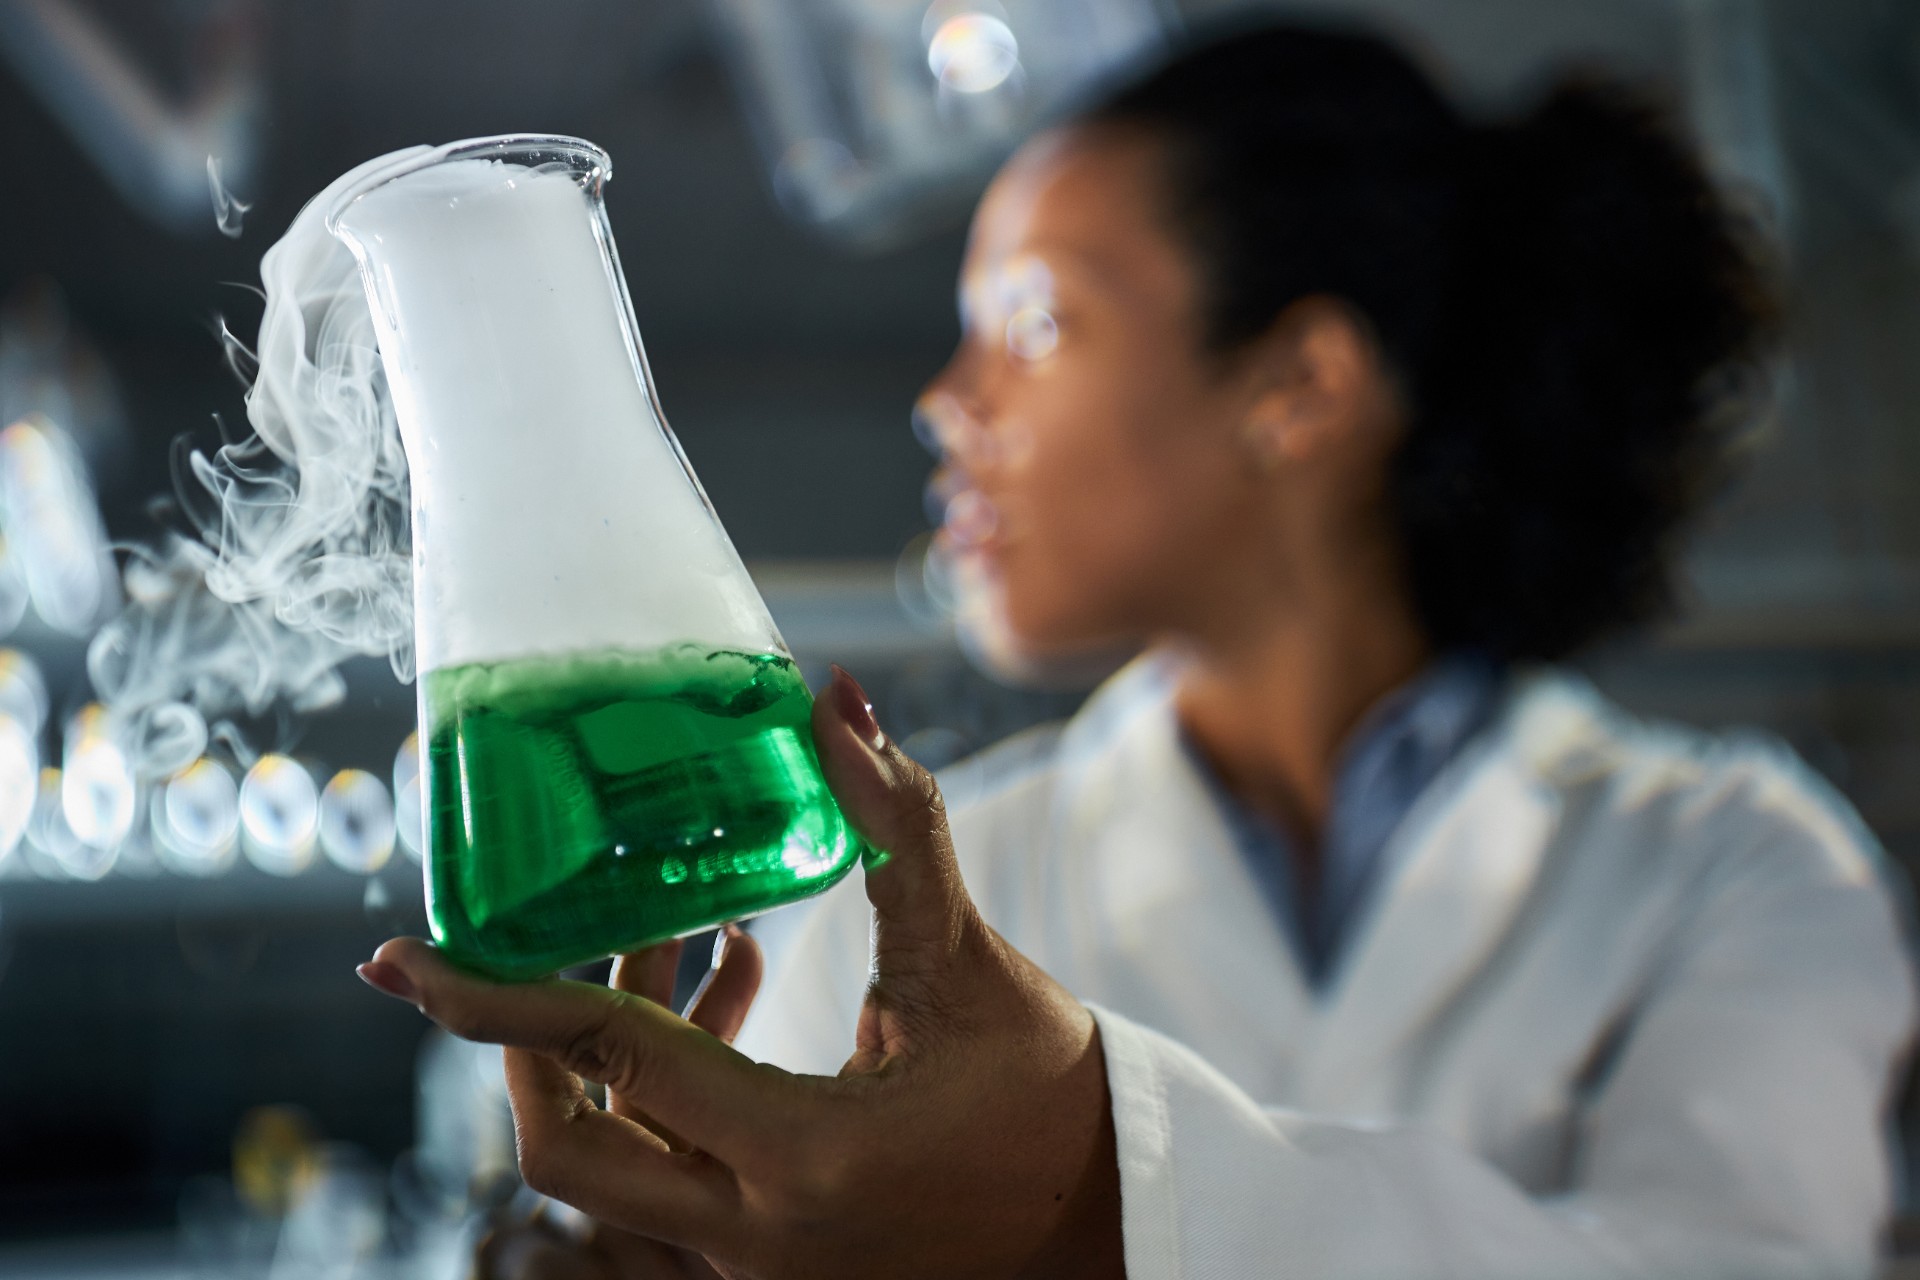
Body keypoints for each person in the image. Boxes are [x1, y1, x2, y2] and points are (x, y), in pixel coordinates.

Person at [355, 20, 1919, 1279]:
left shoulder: (1738, 867)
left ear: (1300, 386)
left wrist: (1093, 1188)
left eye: (1035, 324)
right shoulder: (900, 902)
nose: (945, 402)